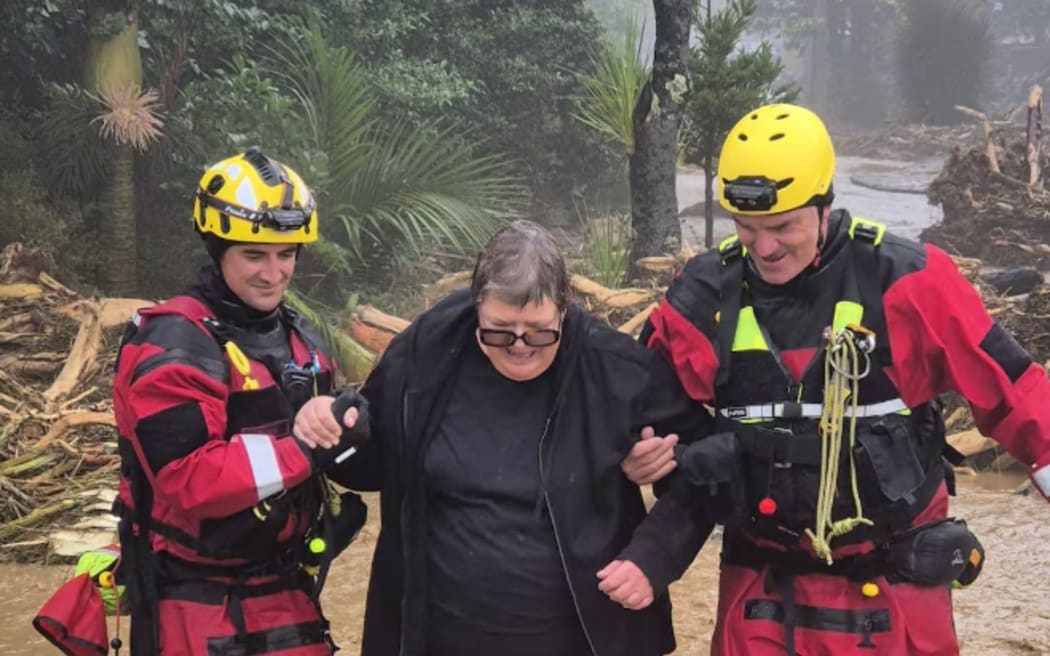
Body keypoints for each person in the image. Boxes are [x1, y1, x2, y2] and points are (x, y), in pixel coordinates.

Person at [603, 103, 1050, 655]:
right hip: (761, 586)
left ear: (825, 204)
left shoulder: (909, 279)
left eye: (782, 226)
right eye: (746, 228)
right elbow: (636, 409)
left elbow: (1013, 387)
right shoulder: (700, 296)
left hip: (892, 583)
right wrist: (638, 455)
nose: (763, 248)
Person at [325, 219, 712, 656]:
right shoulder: (427, 350)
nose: (520, 345)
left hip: (581, 638)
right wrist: (338, 432)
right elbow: (370, 462)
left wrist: (653, 557)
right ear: (476, 306)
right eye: (499, 330)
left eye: (540, 330)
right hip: (440, 636)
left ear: (565, 309)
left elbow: (707, 465)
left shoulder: (615, 368)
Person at [110, 148, 370, 655]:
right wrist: (304, 447)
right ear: (217, 247)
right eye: (255, 255)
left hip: (286, 588)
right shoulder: (173, 343)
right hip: (192, 599)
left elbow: (328, 446)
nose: (274, 273)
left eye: (287, 254)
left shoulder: (300, 336)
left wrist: (353, 422)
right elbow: (189, 478)